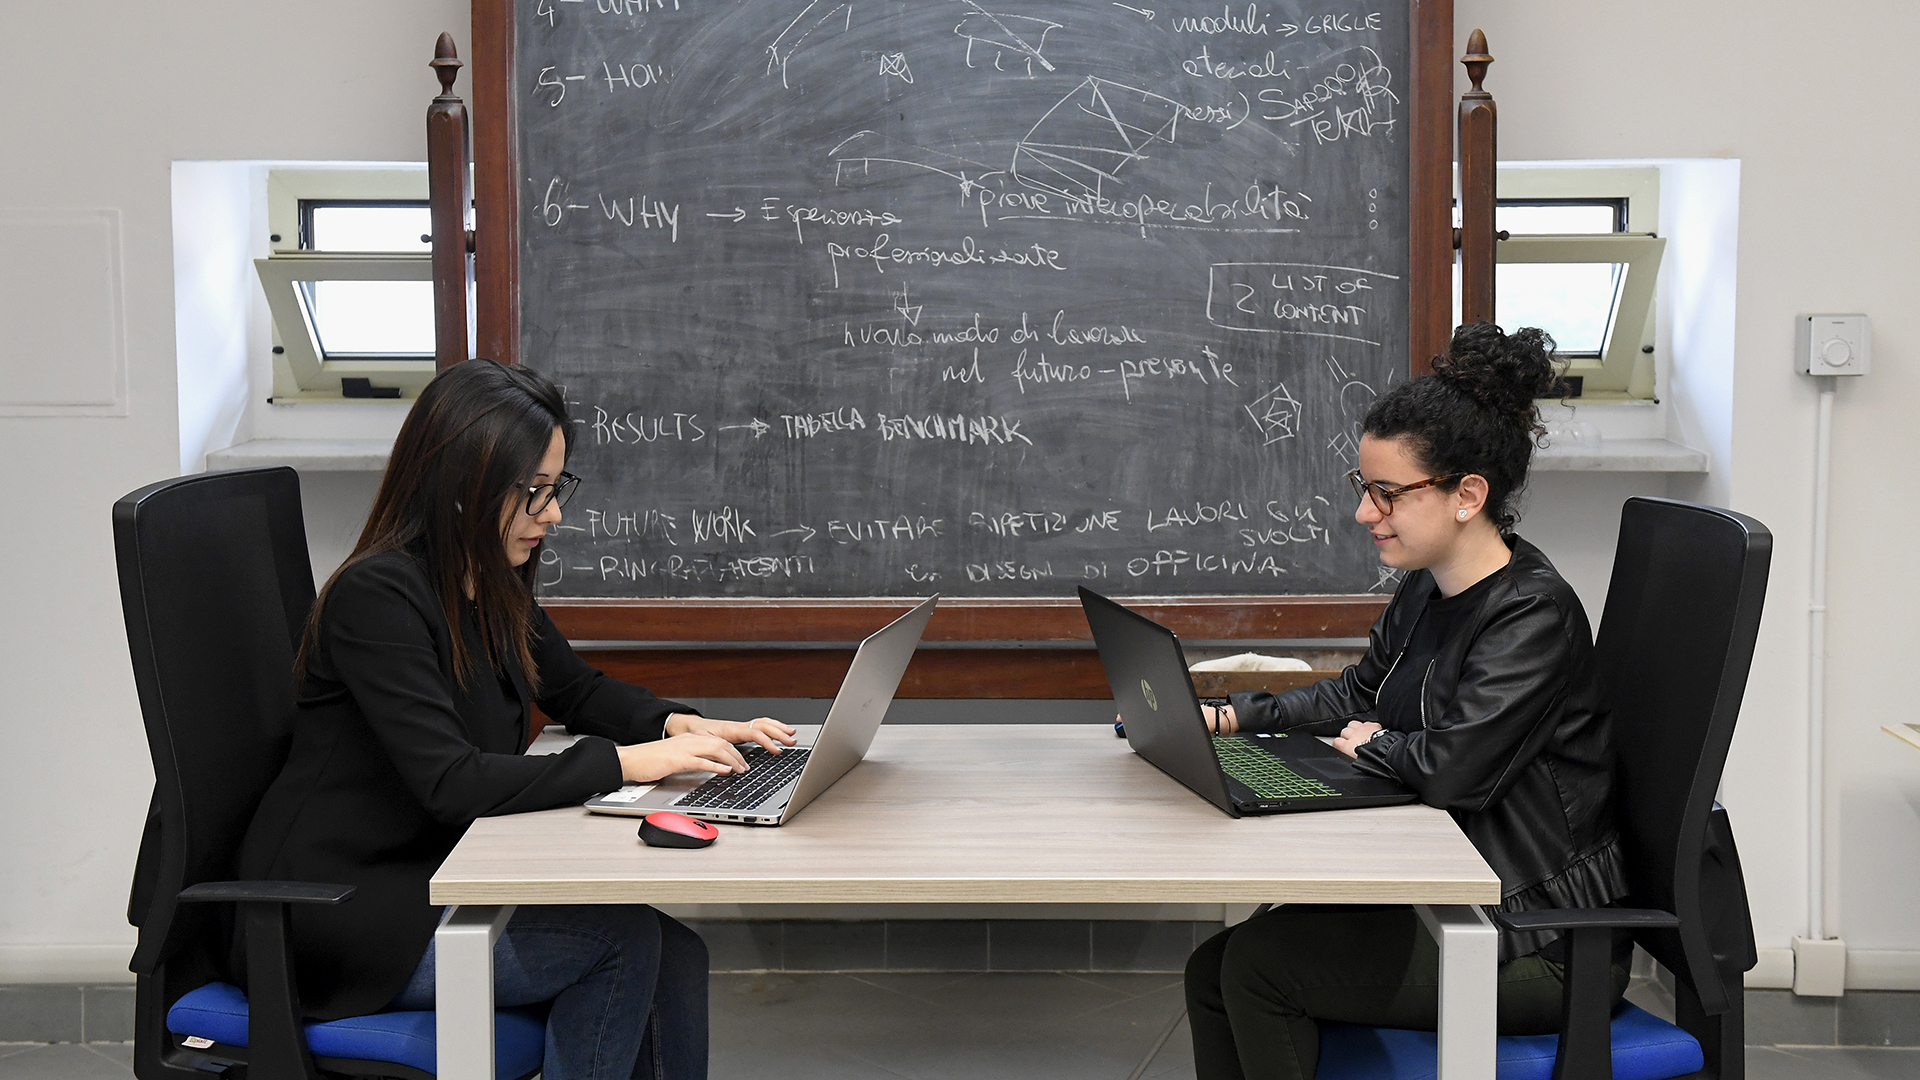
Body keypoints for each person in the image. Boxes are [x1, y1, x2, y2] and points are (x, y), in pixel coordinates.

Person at [234, 358, 794, 1080]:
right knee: (620, 944)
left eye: (555, 488)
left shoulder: (484, 580)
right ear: (462, 487)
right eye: (533, 493)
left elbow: (576, 690)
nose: (553, 513)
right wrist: (624, 764)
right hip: (338, 914)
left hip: (426, 876)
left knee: (677, 951)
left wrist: (681, 726)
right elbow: (450, 783)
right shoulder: (377, 598)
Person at [1182, 324, 1628, 1080]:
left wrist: (1370, 745)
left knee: (1259, 969)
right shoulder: (1429, 584)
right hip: (1454, 889)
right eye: (1366, 488)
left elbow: (1454, 770)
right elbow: (1361, 693)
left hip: (1538, 937)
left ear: (1468, 496)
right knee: (1211, 971)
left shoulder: (1532, 615)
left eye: (1388, 493)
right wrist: (1231, 718)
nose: (1365, 512)